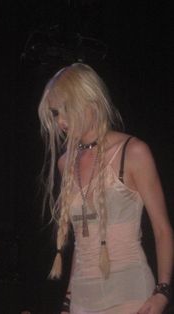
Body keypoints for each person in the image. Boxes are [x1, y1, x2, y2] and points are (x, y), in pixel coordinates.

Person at [36, 63, 173, 314]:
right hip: (82, 298)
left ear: (90, 101)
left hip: (129, 293)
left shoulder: (133, 152)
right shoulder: (65, 163)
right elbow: (81, 240)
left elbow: (162, 228)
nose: (61, 121)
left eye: (66, 109)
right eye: (55, 113)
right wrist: (68, 300)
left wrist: (163, 291)